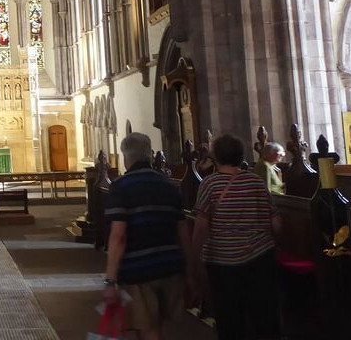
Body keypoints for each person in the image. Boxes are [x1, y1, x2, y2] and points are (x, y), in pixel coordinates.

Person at [191, 134, 281, 340]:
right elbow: (276, 223)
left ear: (216, 157)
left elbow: (201, 226)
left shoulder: (209, 184)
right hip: (261, 258)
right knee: (265, 317)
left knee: (230, 319)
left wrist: (194, 259)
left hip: (224, 263)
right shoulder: (256, 181)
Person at [103, 133, 191, 340]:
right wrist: (190, 270)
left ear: (126, 156)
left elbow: (119, 236)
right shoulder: (169, 184)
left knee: (148, 327)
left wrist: (110, 280)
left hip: (139, 269)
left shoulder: (121, 187)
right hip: (170, 265)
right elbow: (183, 230)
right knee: (156, 324)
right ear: (150, 155)